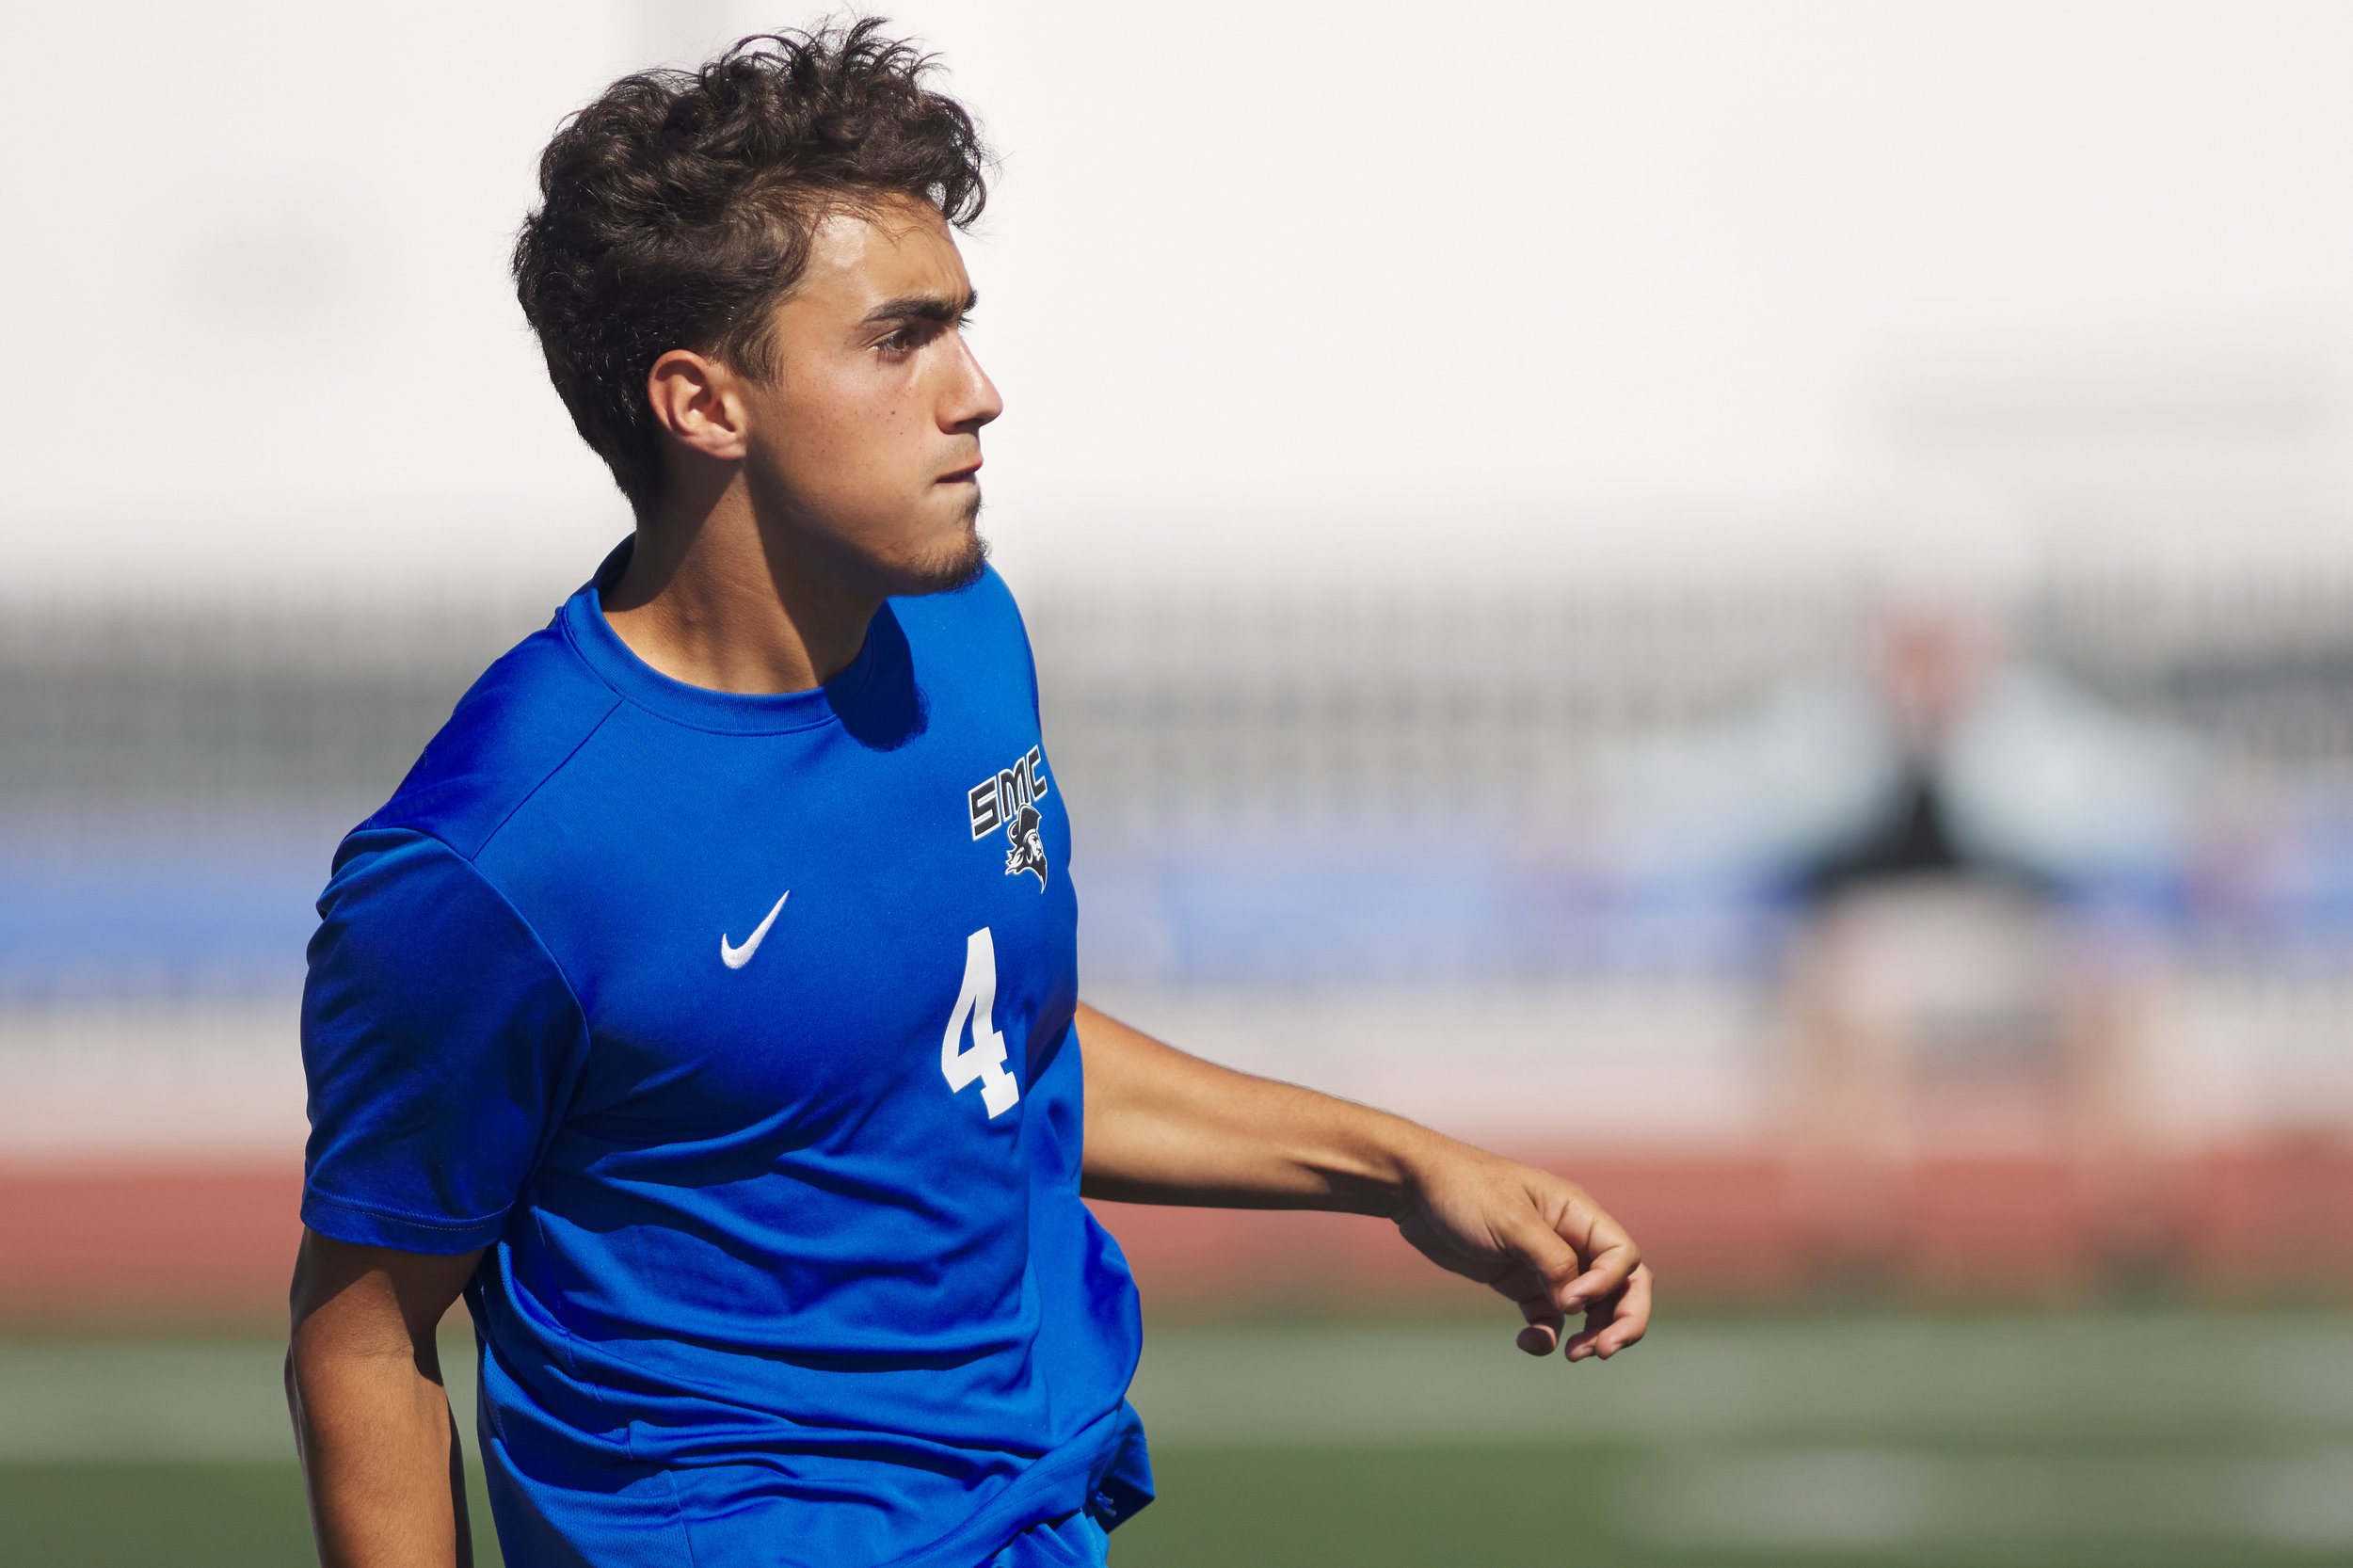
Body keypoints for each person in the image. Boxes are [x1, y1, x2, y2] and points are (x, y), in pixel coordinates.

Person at [283, 21, 1653, 1568]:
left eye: (961, 327)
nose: (978, 390)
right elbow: (361, 1332)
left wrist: (1400, 1165)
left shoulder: (961, 630)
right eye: (899, 339)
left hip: (1031, 1519)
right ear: (702, 403)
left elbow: (985, 1044)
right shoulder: (495, 862)